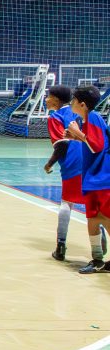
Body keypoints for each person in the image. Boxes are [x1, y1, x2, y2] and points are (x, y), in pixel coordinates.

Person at [64, 85, 110, 273]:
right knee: (92, 220)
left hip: (102, 179)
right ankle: (97, 260)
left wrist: (78, 134)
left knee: (106, 219)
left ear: (82, 104)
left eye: (73, 100)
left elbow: (97, 147)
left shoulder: (93, 118)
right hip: (93, 179)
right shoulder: (87, 119)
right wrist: (77, 137)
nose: (71, 103)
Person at [43, 85, 90, 261]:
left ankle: (60, 246)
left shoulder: (56, 117)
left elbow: (62, 145)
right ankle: (101, 242)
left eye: (48, 96)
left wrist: (49, 163)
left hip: (72, 162)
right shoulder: (78, 112)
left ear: (56, 99)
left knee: (66, 202)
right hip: (89, 159)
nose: (46, 99)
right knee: (93, 203)